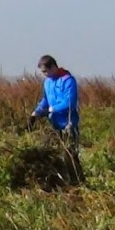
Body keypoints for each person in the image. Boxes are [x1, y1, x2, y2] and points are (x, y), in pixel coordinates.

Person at [27, 54, 83, 182]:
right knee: (54, 155)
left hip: (68, 125)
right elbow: (46, 101)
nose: (44, 74)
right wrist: (35, 114)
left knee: (70, 156)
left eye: (46, 71)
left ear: (53, 67)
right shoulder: (48, 82)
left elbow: (70, 102)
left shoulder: (67, 80)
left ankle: (79, 183)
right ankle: (62, 182)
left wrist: (51, 109)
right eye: (42, 72)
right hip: (55, 125)